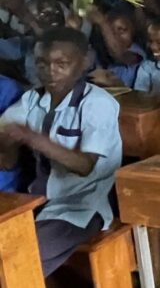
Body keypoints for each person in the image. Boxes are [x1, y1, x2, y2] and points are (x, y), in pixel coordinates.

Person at [0, 28, 121, 276]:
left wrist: (33, 138)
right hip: (40, 199)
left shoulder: (98, 103)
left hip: (82, 206)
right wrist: (7, 144)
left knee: (18, 259)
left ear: (83, 62)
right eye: (42, 64)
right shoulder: (33, 100)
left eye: (61, 64)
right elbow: (6, 140)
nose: (50, 72)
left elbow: (85, 165)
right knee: (11, 256)